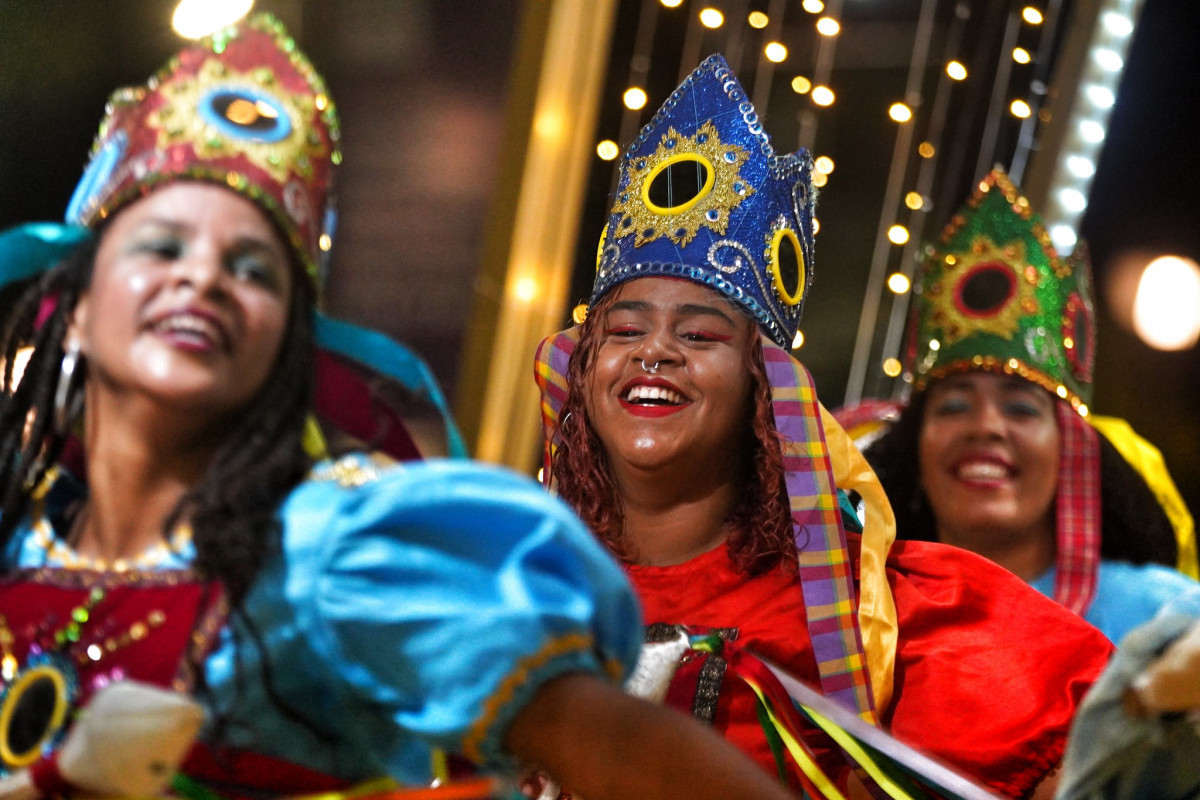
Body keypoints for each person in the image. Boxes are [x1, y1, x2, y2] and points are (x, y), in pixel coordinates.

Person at [0, 18, 802, 800]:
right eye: (162, 246)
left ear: (290, 343)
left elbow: (619, 746)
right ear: (71, 303)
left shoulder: (334, 554)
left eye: (251, 269)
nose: (203, 278)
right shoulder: (15, 532)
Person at [534, 54, 1114, 800]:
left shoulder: (892, 617)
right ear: (582, 368)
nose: (656, 351)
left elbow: (1117, 741)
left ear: (764, 385)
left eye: (701, 335)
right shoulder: (514, 589)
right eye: (625, 331)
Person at [860, 169, 1198, 646]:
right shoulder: (860, 616)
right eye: (954, 406)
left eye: (1020, 409)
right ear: (915, 448)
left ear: (1072, 451)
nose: (986, 426)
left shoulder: (1165, 617)